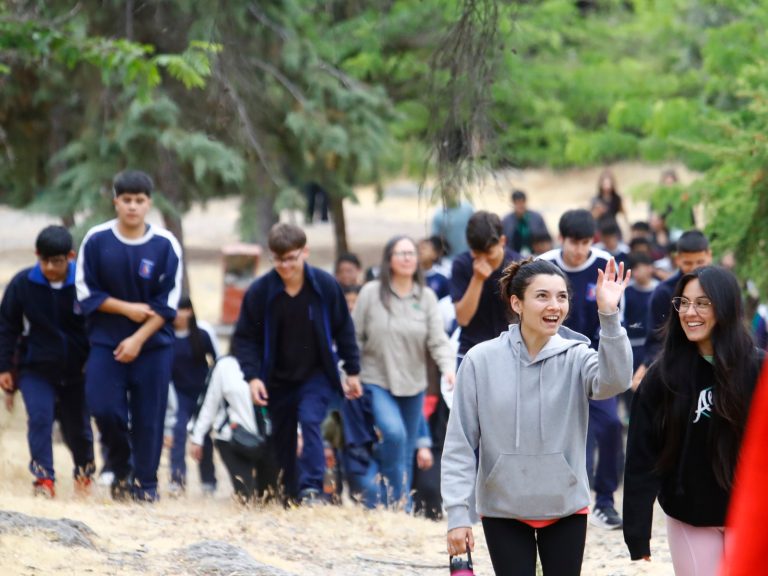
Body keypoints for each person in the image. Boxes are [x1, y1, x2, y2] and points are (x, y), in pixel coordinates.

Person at [442, 257, 632, 576]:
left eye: (562, 297)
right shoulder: (480, 361)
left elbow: (616, 380)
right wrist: (458, 515)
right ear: (517, 303)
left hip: (565, 505)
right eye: (542, 296)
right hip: (503, 507)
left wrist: (610, 315)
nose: (554, 305)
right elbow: (459, 444)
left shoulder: (578, 356)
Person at [623, 266, 764, 574]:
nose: (689, 312)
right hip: (690, 514)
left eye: (702, 303)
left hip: (754, 516)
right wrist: (637, 531)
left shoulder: (758, 369)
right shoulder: (663, 377)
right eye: (683, 303)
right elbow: (641, 454)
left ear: (725, 306)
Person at [231, 223, 361, 504]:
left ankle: (312, 488)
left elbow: (344, 329)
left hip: (316, 374)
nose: (285, 265)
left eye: (291, 258)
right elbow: (245, 339)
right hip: (276, 377)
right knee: (283, 437)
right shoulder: (260, 292)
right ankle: (291, 494)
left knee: (310, 419)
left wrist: (353, 371)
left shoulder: (325, 286)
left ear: (305, 252)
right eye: (278, 259)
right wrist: (253, 377)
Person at [76, 169, 182, 502]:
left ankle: (145, 487)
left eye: (139, 200)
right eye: (126, 200)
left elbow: (168, 304)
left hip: (153, 347)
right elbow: (85, 293)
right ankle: (120, 466)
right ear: (116, 202)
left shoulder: (165, 244)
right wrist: (126, 309)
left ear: (149, 203)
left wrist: (138, 338)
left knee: (149, 417)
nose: (132, 207)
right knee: (105, 409)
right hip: (106, 343)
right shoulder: (96, 239)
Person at [352, 235, 455, 507]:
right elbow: (354, 338)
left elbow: (437, 340)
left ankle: (392, 503)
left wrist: (448, 369)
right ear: (389, 260)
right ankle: (400, 503)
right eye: (401, 253)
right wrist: (349, 372)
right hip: (377, 379)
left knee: (407, 447)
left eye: (411, 253)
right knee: (394, 434)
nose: (408, 258)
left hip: (413, 383)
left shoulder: (426, 297)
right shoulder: (370, 294)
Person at [539, 209, 623, 530]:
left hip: (595, 358)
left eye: (585, 242)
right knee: (566, 431)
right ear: (562, 239)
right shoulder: (544, 265)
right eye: (574, 242)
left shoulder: (605, 265)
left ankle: (605, 500)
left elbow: (616, 317)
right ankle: (567, 501)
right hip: (555, 360)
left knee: (612, 423)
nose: (579, 250)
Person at [0, 225, 95, 498]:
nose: (50, 268)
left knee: (77, 428)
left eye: (57, 261)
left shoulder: (85, 285)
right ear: (36, 255)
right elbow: (7, 326)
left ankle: (84, 472)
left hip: (78, 370)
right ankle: (44, 480)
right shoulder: (22, 284)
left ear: (71, 257)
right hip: (35, 368)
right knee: (40, 418)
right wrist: (4, 366)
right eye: (44, 261)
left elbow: (97, 325)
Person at [189, 355, 278, 504]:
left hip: (269, 439)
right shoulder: (225, 366)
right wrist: (197, 438)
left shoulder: (275, 358)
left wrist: (298, 433)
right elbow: (208, 403)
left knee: (270, 498)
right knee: (247, 496)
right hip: (232, 438)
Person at [633, 230, 712, 389]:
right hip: (678, 366)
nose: (694, 269)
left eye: (700, 262)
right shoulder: (664, 292)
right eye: (688, 263)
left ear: (709, 255)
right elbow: (656, 339)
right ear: (677, 259)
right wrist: (648, 365)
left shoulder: (722, 287)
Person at [166, 296, 220, 496]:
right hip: (177, 394)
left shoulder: (202, 335)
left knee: (203, 436)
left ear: (189, 311)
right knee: (178, 433)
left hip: (201, 394)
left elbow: (218, 362)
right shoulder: (166, 335)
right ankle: (177, 480)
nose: (177, 315)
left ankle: (209, 482)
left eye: (180, 309)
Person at [451, 211, 520, 364]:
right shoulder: (461, 265)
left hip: (511, 351)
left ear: (502, 241)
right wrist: (477, 279)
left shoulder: (519, 265)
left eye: (488, 252)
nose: (482, 259)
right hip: (471, 351)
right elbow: (462, 318)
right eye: (476, 253)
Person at [501, 189, 551, 257]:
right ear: (513, 204)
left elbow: (546, 238)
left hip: (536, 254)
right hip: (513, 256)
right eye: (517, 203)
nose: (520, 206)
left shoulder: (537, 218)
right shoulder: (506, 221)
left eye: (522, 202)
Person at [431, 189, 474, 258]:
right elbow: (435, 240)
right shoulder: (439, 215)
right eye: (447, 192)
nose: (451, 194)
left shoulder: (468, 209)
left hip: (469, 256)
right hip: (448, 259)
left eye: (453, 191)